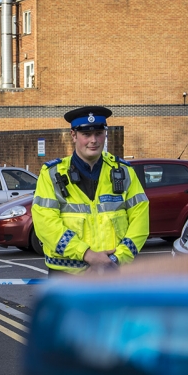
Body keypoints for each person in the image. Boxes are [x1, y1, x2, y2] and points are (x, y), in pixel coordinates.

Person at [31, 106, 149, 276]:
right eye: (86, 134)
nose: (93, 140)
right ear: (73, 135)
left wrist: (116, 259)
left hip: (113, 272)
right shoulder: (51, 174)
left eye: (99, 133)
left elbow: (140, 221)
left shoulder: (124, 172)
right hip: (68, 275)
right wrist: (87, 254)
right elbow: (45, 224)